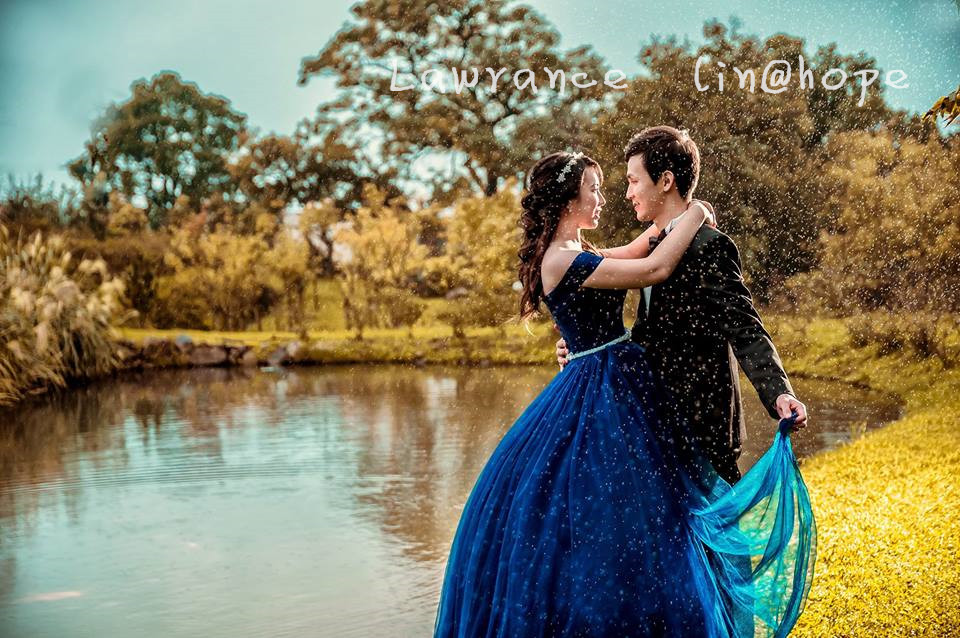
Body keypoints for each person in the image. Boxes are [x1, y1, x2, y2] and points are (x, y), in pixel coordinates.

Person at [433, 150, 816, 637]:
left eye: (629, 181)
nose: (609, 196)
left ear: (665, 180)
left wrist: (682, 220)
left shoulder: (591, 250)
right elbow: (653, 268)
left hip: (636, 388)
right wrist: (697, 211)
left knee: (655, 516)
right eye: (594, 189)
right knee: (612, 514)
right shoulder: (562, 257)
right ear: (568, 200)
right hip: (603, 393)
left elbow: (645, 250)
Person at [556, 126, 807, 485]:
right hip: (653, 419)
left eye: (634, 181)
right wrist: (586, 348)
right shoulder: (650, 246)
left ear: (666, 181)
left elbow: (745, 328)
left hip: (703, 425)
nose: (628, 193)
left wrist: (779, 392)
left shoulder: (710, 245)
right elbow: (650, 332)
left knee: (716, 521)